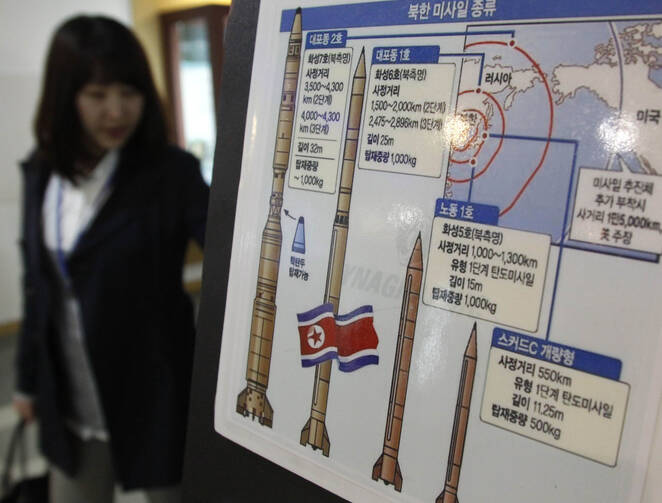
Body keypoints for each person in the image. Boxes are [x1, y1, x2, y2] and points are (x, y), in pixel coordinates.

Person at [13, 15, 209, 503]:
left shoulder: (171, 174)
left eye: (130, 93)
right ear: (65, 97)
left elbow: (230, 256)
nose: (117, 111)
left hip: (157, 390)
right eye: (98, 96)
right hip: (73, 398)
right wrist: (27, 382)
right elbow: (38, 286)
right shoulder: (42, 172)